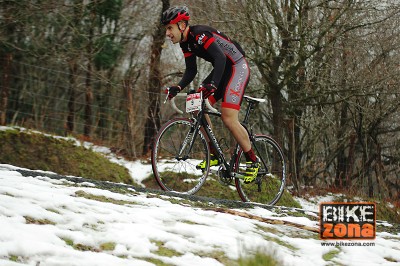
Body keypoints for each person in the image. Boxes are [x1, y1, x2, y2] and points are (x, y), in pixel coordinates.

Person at [161, 6, 259, 183]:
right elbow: (191, 70)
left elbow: (221, 58)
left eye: (170, 28)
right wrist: (178, 87)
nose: (167, 33)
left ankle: (253, 161)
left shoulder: (200, 35)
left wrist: (213, 84)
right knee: (196, 106)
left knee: (229, 118)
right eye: (166, 29)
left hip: (237, 67)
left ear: (182, 25)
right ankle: (213, 154)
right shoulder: (186, 43)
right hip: (223, 69)